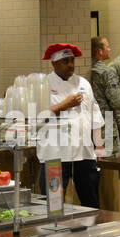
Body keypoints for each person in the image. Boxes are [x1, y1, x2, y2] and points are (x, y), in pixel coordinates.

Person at [38, 43, 103, 208]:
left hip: (84, 154)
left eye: (72, 60)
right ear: (53, 64)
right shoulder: (43, 85)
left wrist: (100, 148)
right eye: (65, 61)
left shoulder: (83, 83)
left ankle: (91, 233)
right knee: (53, 206)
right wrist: (64, 104)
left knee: (91, 204)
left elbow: (95, 116)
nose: (71, 65)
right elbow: (37, 119)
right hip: (54, 155)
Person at [89, 36, 120, 158]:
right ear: (100, 51)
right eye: (107, 46)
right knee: (113, 160)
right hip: (106, 119)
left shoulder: (88, 69)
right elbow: (117, 101)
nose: (110, 49)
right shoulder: (106, 71)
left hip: (92, 121)